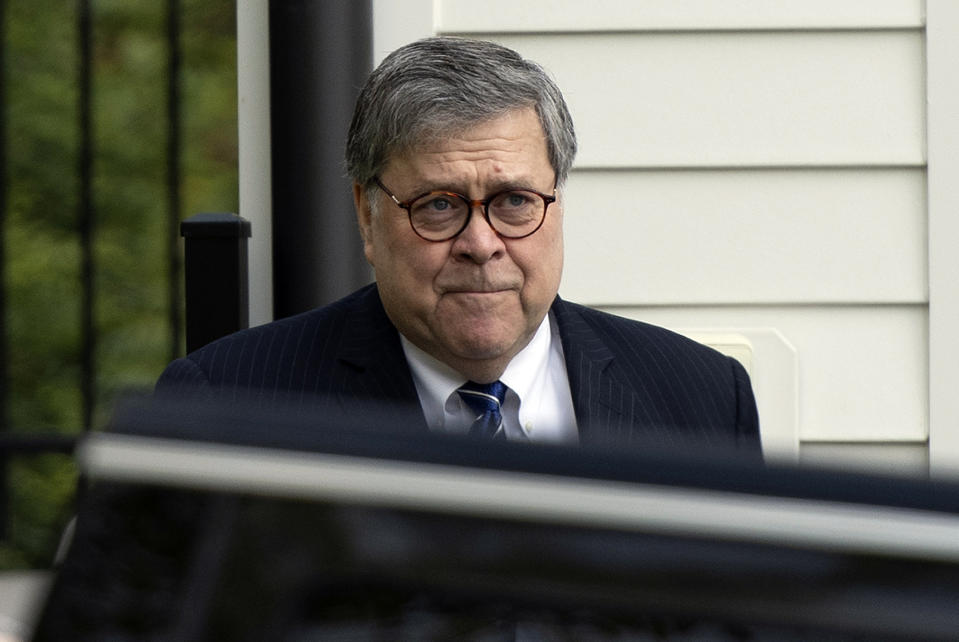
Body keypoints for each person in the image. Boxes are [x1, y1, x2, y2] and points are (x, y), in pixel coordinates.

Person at [156, 36, 760, 455]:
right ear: (368, 217)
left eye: (514, 201)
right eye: (438, 206)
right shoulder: (230, 405)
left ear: (557, 201)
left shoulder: (703, 399)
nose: (481, 243)